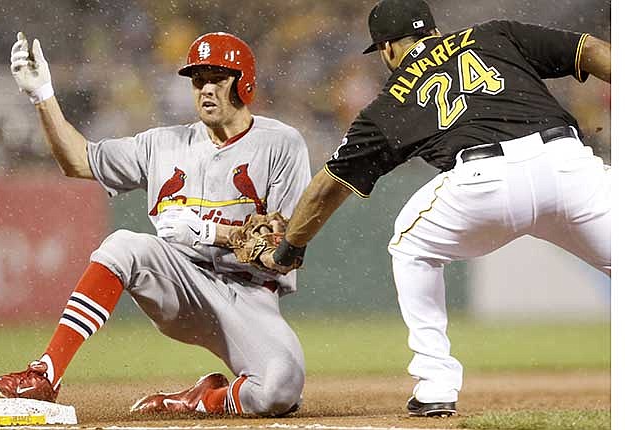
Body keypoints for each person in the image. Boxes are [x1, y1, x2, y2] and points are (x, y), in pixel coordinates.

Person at [261, 0, 611, 418]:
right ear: (430, 29)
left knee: (411, 247)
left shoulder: (391, 102)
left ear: (388, 48)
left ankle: (436, 384)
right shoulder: (494, 34)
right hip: (570, 167)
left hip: (485, 184)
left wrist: (291, 247)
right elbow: (588, 48)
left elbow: (329, 186)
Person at [0, 31, 311, 417]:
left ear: (244, 82)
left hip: (248, 295)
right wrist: (43, 96)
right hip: (179, 283)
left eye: (218, 77)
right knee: (123, 244)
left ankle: (204, 399)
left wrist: (210, 231)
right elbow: (78, 160)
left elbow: (284, 249)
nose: (206, 89)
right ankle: (45, 375)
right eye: (198, 79)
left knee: (280, 389)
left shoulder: (282, 144)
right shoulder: (162, 144)